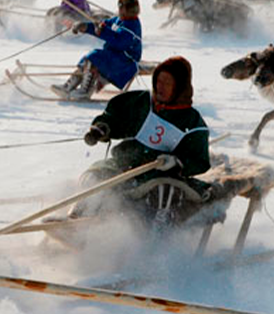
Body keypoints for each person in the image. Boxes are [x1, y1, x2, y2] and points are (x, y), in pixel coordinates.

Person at [81, 56, 211, 207]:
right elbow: (115, 117)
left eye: (167, 83)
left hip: (157, 175)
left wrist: (176, 162)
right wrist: (102, 128)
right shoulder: (141, 102)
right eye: (159, 81)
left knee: (165, 191)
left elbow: (199, 161)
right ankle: (80, 214)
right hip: (123, 165)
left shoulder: (193, 123)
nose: (160, 87)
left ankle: (158, 227)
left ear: (179, 87)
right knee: (94, 177)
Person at [53, 0, 144, 100]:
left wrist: (101, 31)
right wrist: (85, 26)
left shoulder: (132, 27)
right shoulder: (118, 20)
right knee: (90, 59)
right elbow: (101, 26)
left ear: (127, 10)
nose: (118, 10)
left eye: (121, 8)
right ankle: (68, 87)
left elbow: (118, 41)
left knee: (95, 56)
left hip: (126, 61)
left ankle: (85, 91)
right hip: (115, 55)